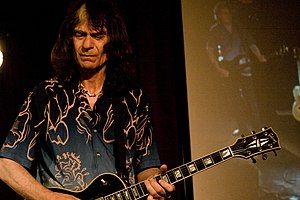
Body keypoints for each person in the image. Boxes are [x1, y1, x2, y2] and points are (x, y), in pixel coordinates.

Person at [0, 0, 175, 199]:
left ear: (113, 41)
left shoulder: (134, 99)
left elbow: (146, 166)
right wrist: (49, 197)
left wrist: (154, 185)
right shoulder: (46, 95)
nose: (87, 45)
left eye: (98, 36)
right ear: (70, 39)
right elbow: (6, 165)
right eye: (80, 35)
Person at [206, 1, 267, 135]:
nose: (228, 15)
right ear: (218, 15)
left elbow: (251, 43)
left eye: (229, 12)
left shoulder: (239, 27)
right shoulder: (215, 30)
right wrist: (218, 68)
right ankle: (242, 128)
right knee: (234, 99)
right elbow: (209, 49)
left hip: (244, 67)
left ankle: (258, 128)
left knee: (251, 98)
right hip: (228, 69)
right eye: (224, 13)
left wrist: (259, 56)